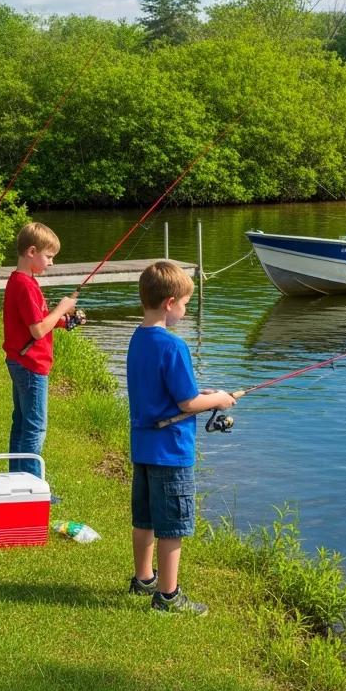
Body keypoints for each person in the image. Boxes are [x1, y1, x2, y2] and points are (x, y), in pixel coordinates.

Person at [126, 261, 236, 615]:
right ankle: (168, 595)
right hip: (171, 450)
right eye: (186, 304)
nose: (186, 311)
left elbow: (166, 392)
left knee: (144, 518)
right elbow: (188, 403)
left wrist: (203, 393)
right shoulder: (173, 347)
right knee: (172, 523)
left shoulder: (137, 339)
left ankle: (143, 578)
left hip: (143, 446)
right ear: (170, 302)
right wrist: (219, 399)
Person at [2, 222, 77, 485]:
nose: (52, 263)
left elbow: (37, 321)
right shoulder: (25, 285)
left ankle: (15, 478)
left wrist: (64, 320)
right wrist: (62, 307)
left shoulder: (22, 281)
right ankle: (30, 483)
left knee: (21, 422)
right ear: (31, 251)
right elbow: (36, 330)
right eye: (49, 256)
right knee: (35, 427)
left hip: (21, 361)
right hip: (31, 365)